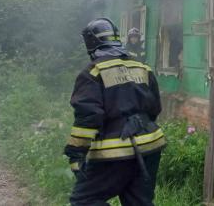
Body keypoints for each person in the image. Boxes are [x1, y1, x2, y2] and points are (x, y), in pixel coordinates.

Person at [64, 18, 165, 206]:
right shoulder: (142, 67)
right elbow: (155, 109)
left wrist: (75, 154)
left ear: (91, 43)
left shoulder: (93, 72)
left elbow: (88, 118)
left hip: (114, 152)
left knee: (84, 201)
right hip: (150, 147)